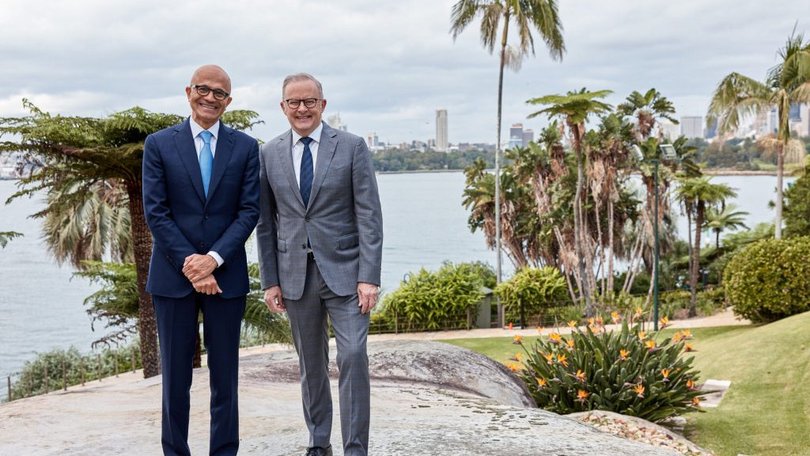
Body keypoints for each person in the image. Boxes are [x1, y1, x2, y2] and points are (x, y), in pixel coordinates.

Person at [256, 73, 383, 456]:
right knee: (311, 365)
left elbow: (369, 217)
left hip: (347, 274)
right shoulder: (269, 153)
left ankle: (355, 447)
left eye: (309, 101)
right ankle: (318, 442)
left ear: (322, 105)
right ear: (283, 107)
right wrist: (269, 280)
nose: (302, 109)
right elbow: (266, 221)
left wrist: (369, 277)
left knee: (353, 356)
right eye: (294, 102)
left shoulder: (351, 147)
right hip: (295, 275)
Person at [142, 64, 260, 456]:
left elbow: (248, 211)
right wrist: (192, 265)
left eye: (220, 93)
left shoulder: (245, 148)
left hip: (226, 277)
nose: (211, 98)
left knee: (225, 377)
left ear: (229, 101)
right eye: (203, 90)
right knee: (175, 378)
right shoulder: (159, 144)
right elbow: (156, 212)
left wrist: (212, 259)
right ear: (188, 91)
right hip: (173, 279)